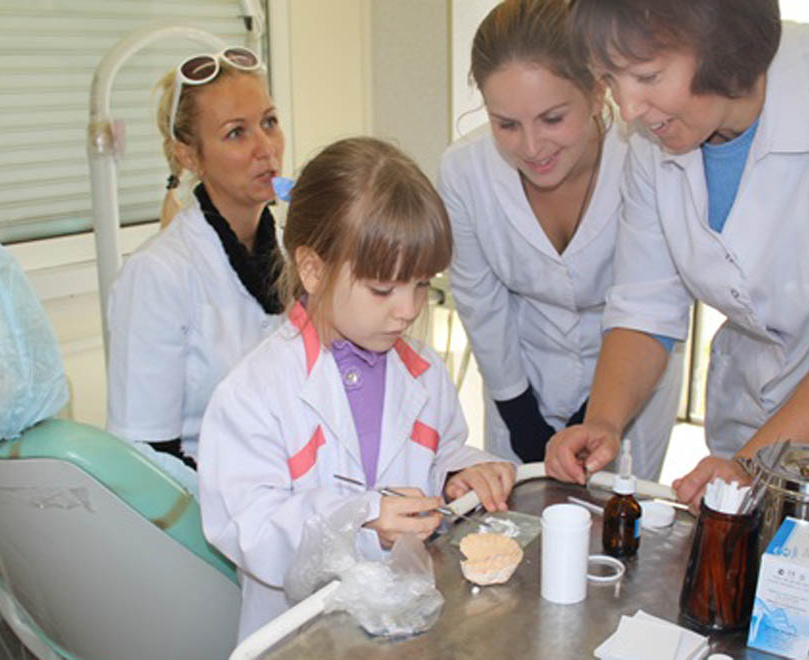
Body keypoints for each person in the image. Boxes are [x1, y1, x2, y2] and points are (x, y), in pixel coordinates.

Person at [547, 0, 809, 590]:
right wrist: (603, 419)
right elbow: (644, 304)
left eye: (647, 76)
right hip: (759, 400)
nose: (628, 109)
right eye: (609, 79)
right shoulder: (652, 134)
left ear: (721, 43)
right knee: (751, 592)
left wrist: (751, 463)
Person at [199, 137, 516, 639]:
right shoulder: (253, 394)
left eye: (421, 283)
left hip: (405, 621)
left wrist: (459, 473)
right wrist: (359, 520)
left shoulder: (424, 373)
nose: (408, 309)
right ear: (313, 270)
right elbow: (250, 530)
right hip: (302, 638)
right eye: (382, 289)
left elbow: (439, 452)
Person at [438, 0, 683, 475]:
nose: (532, 147)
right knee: (519, 514)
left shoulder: (648, 157)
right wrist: (520, 416)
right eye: (506, 124)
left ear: (597, 90)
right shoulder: (464, 171)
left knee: (616, 516)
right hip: (521, 375)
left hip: (633, 381)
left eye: (552, 119)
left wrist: (598, 416)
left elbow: (652, 301)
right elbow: (480, 301)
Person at [105, 46, 285, 483]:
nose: (265, 148)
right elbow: (146, 458)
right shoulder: (158, 275)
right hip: (200, 504)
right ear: (189, 156)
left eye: (269, 122)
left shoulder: (295, 253)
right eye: (236, 133)